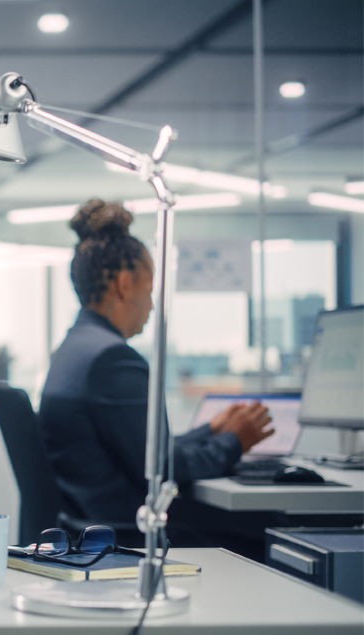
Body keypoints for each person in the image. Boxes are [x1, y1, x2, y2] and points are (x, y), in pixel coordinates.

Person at [38, 199, 275, 549]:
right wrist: (234, 441)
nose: (151, 304)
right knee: (274, 526)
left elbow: (143, 450)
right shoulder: (112, 359)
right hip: (130, 532)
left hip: (89, 524)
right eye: (149, 289)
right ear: (124, 284)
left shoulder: (74, 349)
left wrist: (211, 429)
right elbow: (161, 468)